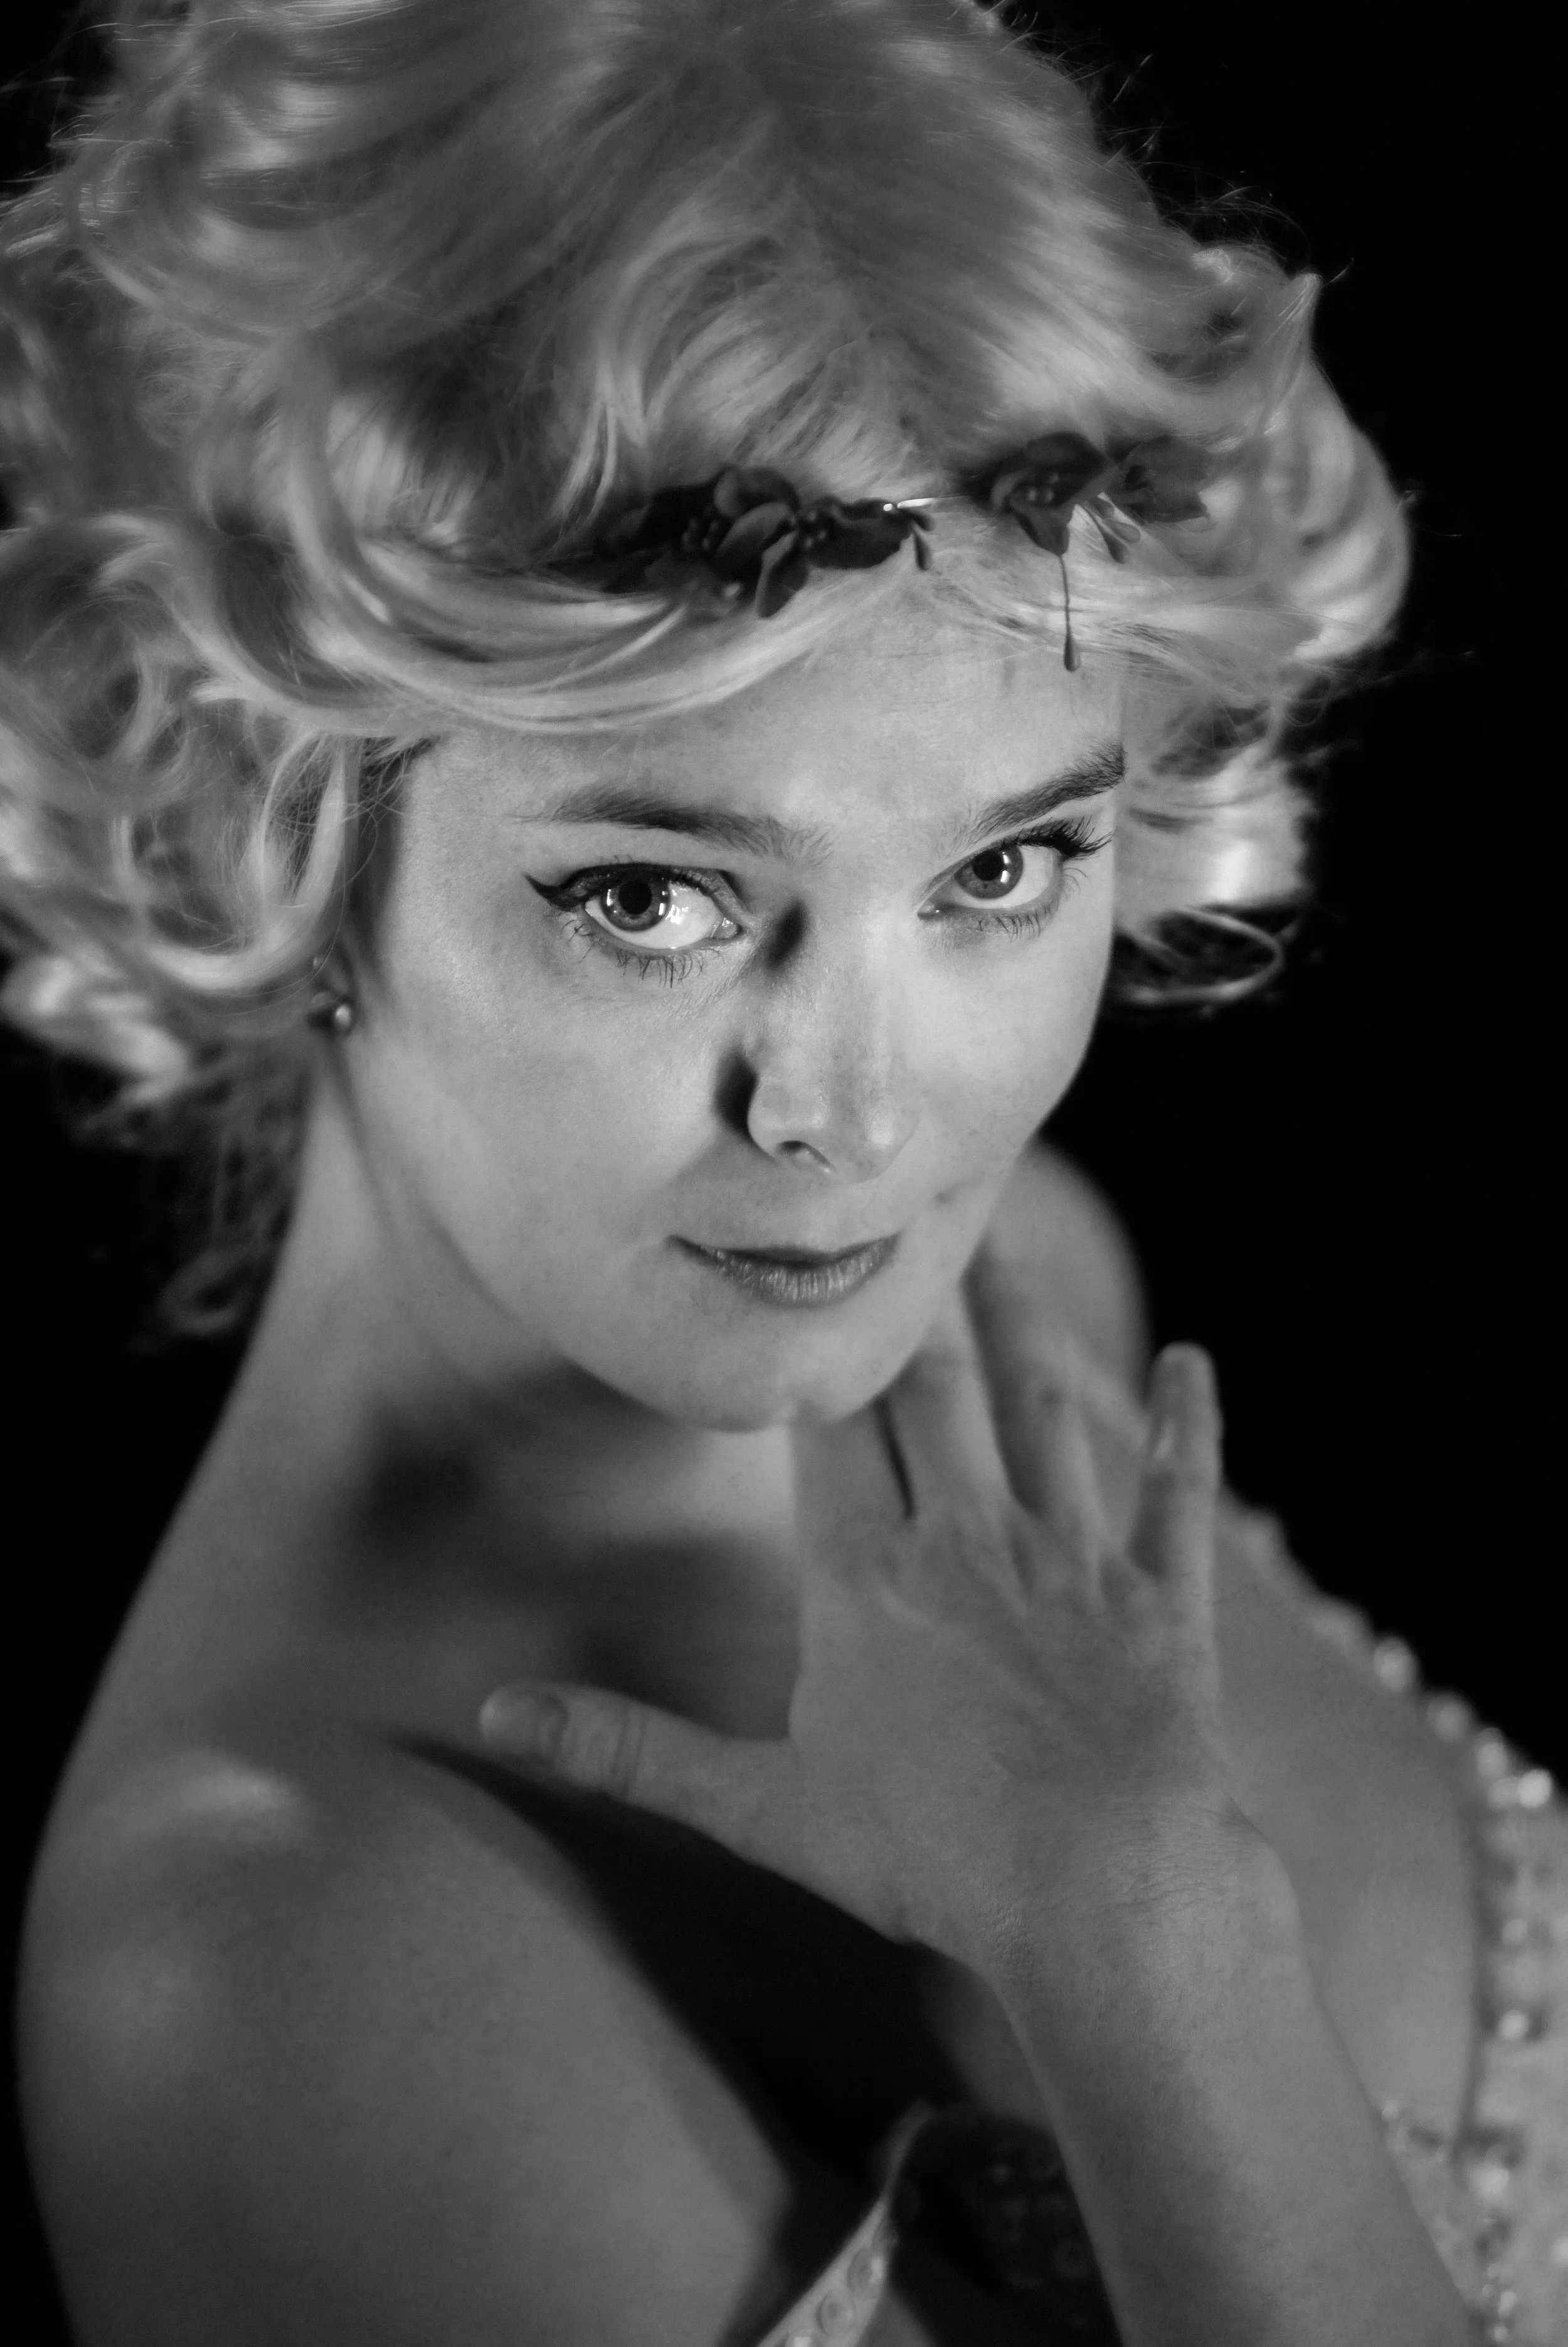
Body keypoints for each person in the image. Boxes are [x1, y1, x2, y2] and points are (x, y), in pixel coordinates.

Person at [4, 3, 1562, 2341]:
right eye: (657, 899)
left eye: (1004, 872)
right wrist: (1149, 1958)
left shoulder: (1018, 1290)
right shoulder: (268, 1959)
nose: (855, 1115)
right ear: (275, 831)